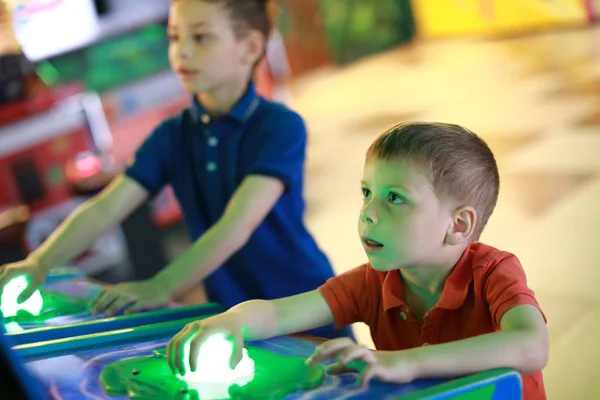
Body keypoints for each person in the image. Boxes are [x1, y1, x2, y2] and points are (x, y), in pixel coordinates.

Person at [0, 0, 351, 340]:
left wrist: (162, 285)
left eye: (200, 37)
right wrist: (39, 263)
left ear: (250, 46)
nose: (181, 51)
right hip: (231, 313)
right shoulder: (172, 135)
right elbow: (107, 207)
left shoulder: (280, 127)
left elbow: (237, 224)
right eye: (174, 36)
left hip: (302, 305)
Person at [166, 122, 548, 400]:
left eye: (394, 198)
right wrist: (232, 321)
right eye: (367, 192)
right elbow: (278, 314)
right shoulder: (370, 284)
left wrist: (405, 362)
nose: (368, 213)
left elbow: (531, 347)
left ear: (458, 224)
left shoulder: (493, 273)